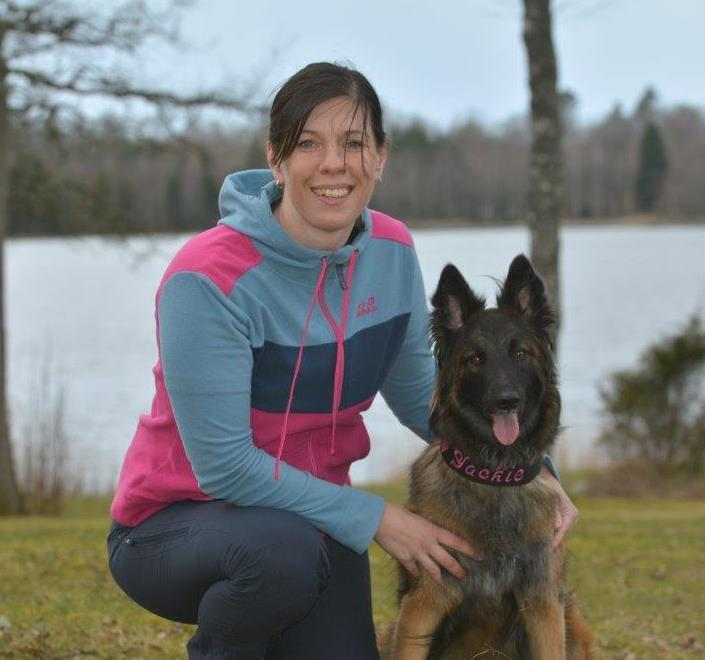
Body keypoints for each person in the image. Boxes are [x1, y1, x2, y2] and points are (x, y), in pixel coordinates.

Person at [107, 62, 578, 659]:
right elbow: (224, 467)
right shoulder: (207, 278)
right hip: (174, 527)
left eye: (353, 143)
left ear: (380, 158)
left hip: (316, 526)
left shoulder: (391, 250)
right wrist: (377, 518)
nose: (334, 164)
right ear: (276, 158)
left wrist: (536, 470)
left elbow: (425, 400)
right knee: (280, 559)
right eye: (309, 143)